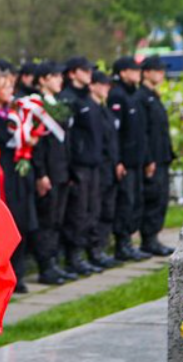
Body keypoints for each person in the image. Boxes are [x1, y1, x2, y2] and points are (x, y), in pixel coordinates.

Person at [0, 69, 37, 293]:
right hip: (0, 177)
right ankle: (0, 277)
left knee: (21, 224)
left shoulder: (16, 113)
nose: (10, 91)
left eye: (11, 87)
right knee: (3, 226)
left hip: (18, 174)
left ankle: (18, 275)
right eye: (4, 87)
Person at [28, 61, 76, 285]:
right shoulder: (36, 106)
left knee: (57, 218)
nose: (60, 80)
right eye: (54, 76)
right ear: (42, 80)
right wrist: (41, 173)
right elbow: (37, 145)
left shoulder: (57, 103)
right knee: (47, 218)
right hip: (48, 170)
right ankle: (45, 265)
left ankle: (54, 261)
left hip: (61, 168)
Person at [58, 57, 105, 276]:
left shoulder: (88, 98)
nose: (89, 74)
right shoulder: (67, 99)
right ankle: (73, 257)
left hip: (93, 162)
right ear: (73, 73)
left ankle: (90, 252)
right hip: (78, 165)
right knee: (77, 212)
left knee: (91, 210)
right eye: (85, 70)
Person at [108, 57, 152, 262]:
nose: (138, 73)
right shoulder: (117, 95)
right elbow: (116, 132)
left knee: (135, 200)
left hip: (136, 159)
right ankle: (122, 244)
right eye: (134, 70)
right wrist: (118, 160)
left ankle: (129, 242)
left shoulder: (133, 95)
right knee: (125, 202)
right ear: (123, 72)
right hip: (125, 161)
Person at [138, 56, 176, 257]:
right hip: (152, 158)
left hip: (163, 155)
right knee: (153, 198)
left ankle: (155, 237)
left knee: (161, 198)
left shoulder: (154, 96)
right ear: (146, 72)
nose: (161, 74)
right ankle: (148, 239)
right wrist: (148, 159)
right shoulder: (142, 97)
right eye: (157, 70)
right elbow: (143, 132)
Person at [87, 70, 120, 269]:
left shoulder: (104, 109)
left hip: (109, 165)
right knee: (95, 209)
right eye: (102, 84)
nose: (106, 88)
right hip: (97, 165)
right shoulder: (91, 109)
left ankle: (102, 247)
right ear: (93, 86)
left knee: (107, 207)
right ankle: (94, 249)